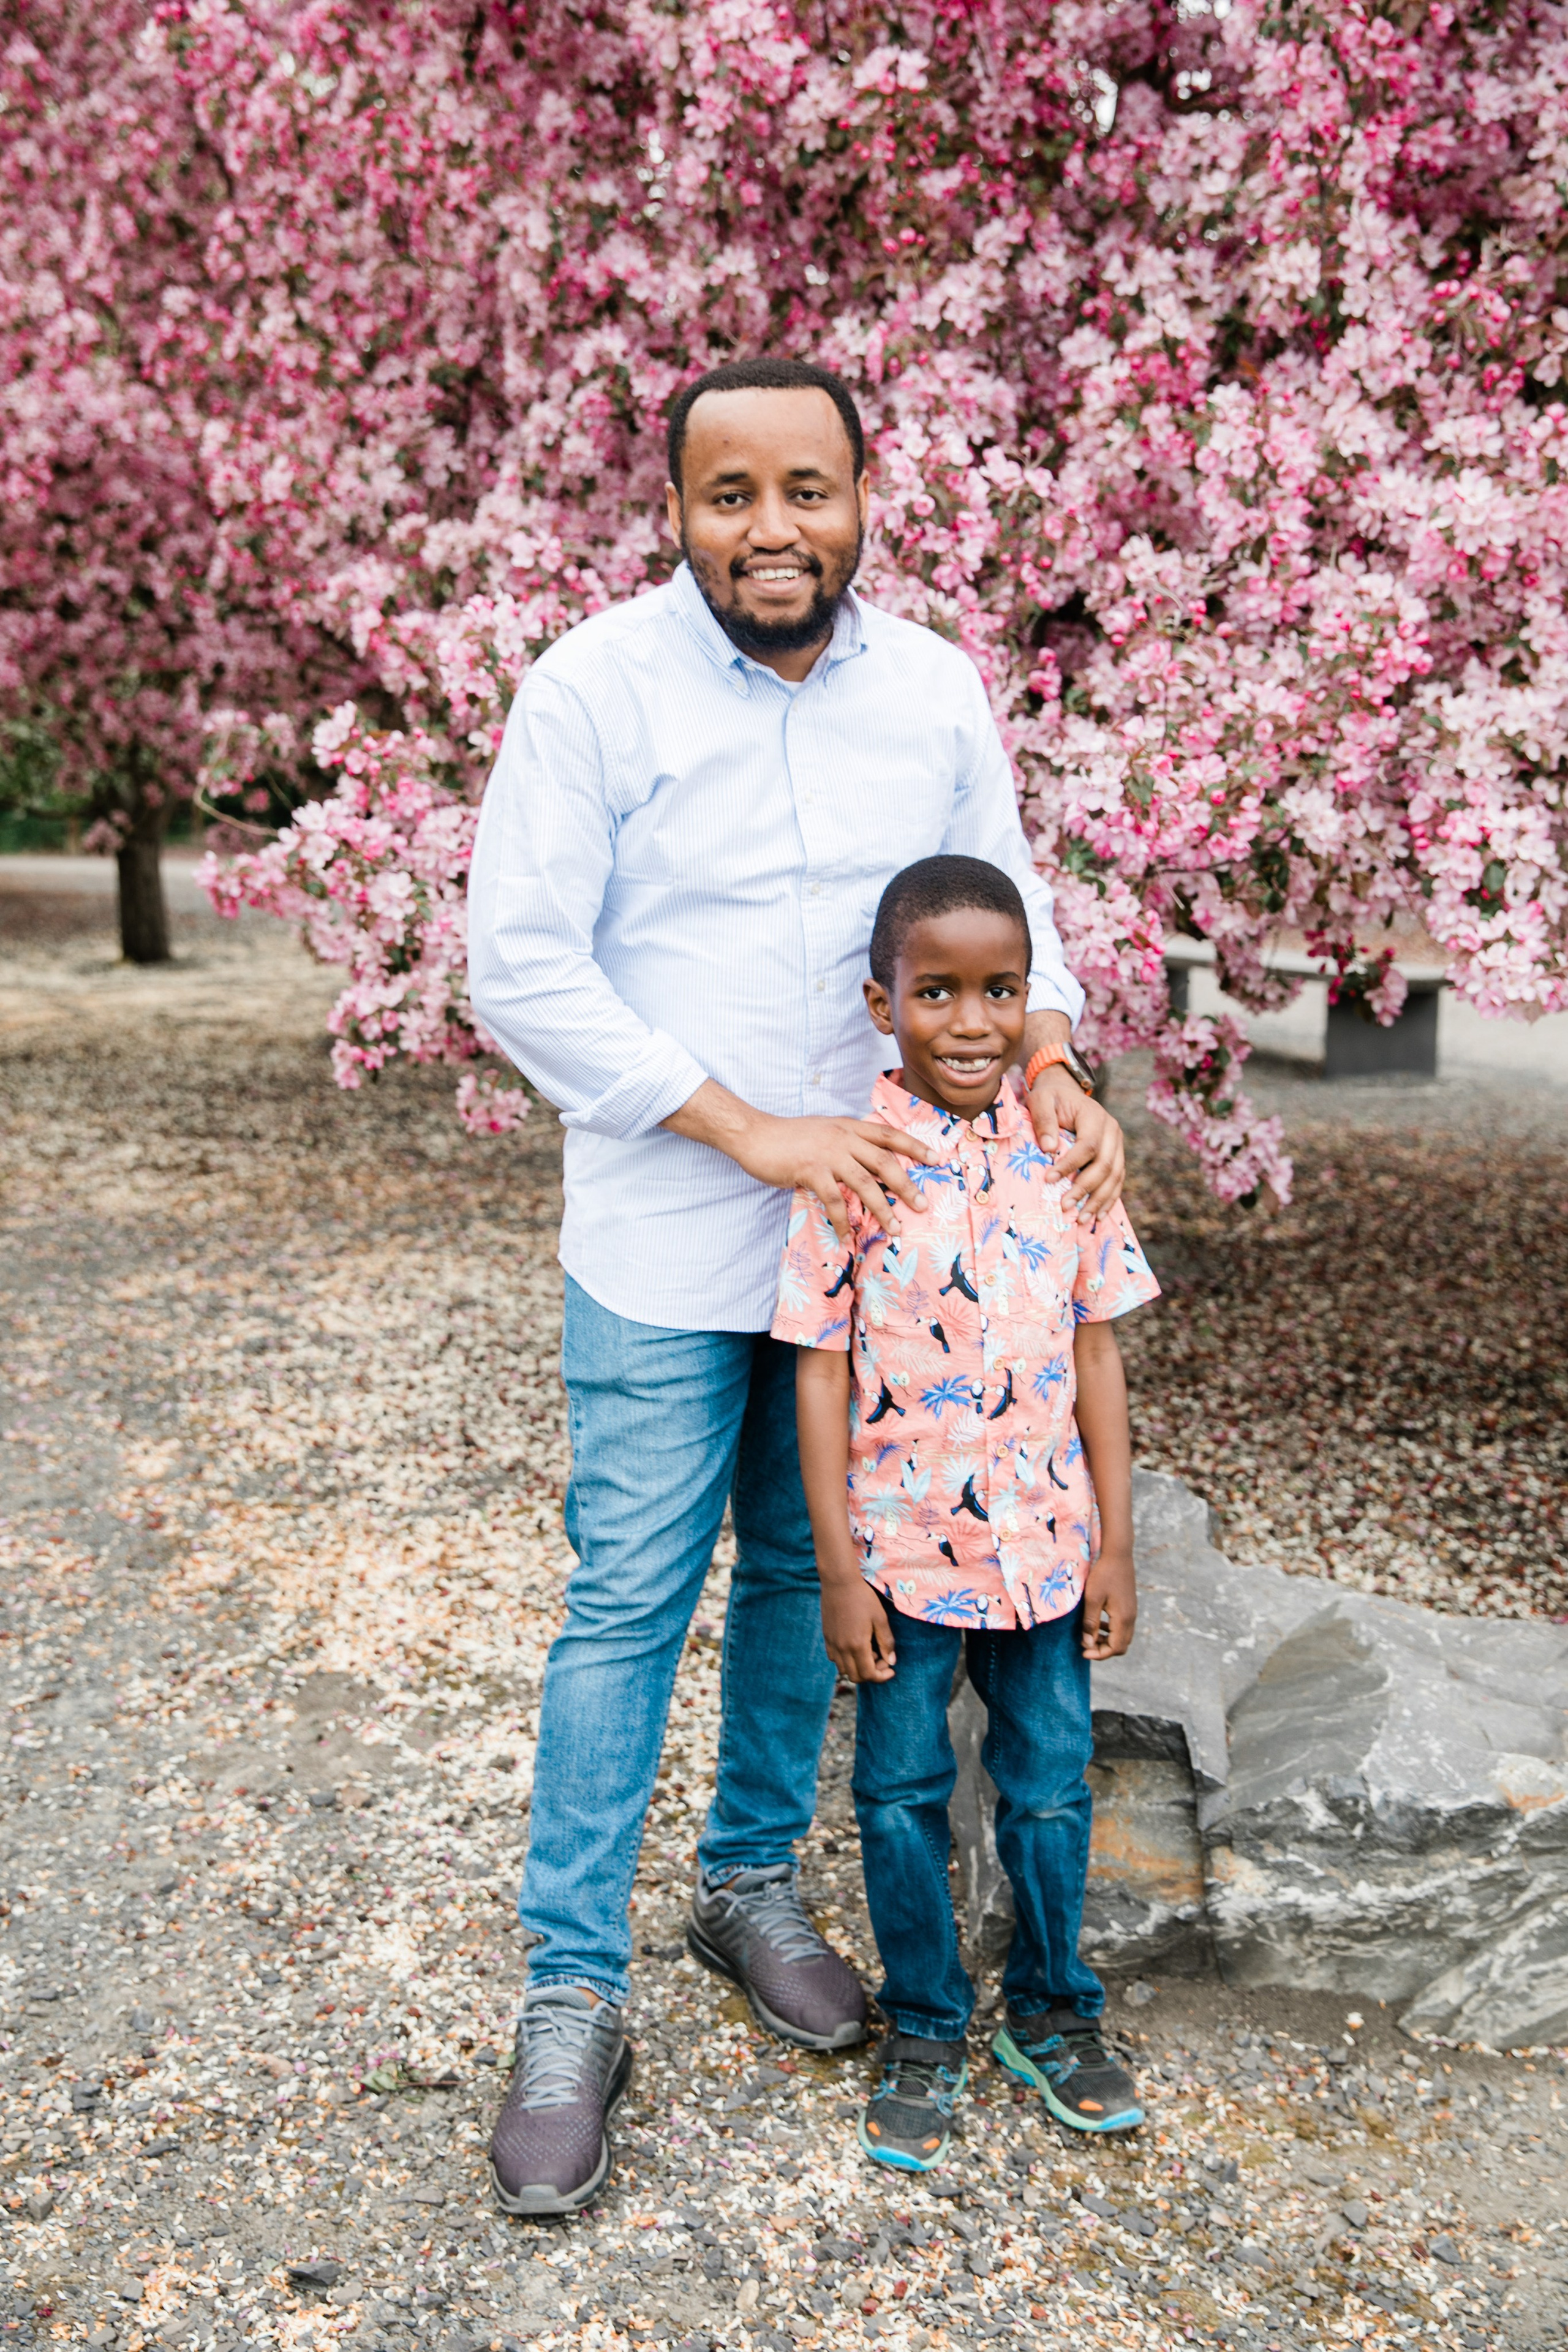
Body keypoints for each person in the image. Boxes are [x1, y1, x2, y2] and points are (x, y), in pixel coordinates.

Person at [466, 355, 1127, 2217]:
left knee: (795, 1571)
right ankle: (570, 1991)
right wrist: (748, 1131)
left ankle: (746, 1880)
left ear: (860, 499)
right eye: (731, 492)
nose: (774, 527)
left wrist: (1055, 1062)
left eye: (808, 489)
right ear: (677, 508)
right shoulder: (592, 686)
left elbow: (1011, 916)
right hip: (674, 1234)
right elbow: (520, 963)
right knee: (625, 1602)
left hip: (886, 1254)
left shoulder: (934, 691)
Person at [773, 853, 1159, 2173]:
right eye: (935, 992)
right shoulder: (851, 1174)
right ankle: (928, 2022)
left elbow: (1097, 1348)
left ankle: (1052, 2012)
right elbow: (817, 1373)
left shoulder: (1069, 1160)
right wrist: (837, 1570)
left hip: (1045, 1552)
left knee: (1048, 1788)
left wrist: (1116, 1543)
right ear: (882, 1005)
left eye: (1001, 991)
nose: (972, 1021)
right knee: (899, 1793)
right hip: (899, 1557)